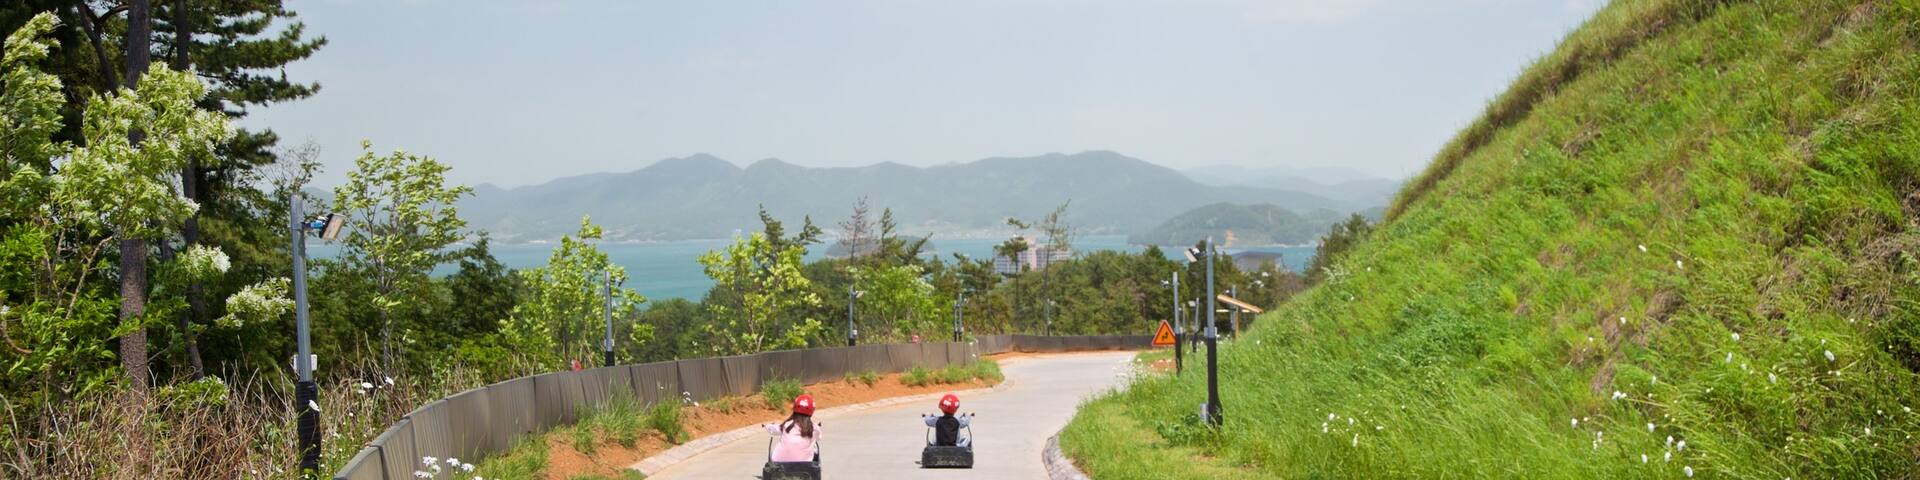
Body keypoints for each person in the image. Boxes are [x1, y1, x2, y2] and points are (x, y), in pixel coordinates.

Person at [764, 394, 820, 462]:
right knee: (815, 453)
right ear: (812, 411)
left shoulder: (787, 425)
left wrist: (767, 426)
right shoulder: (814, 429)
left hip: (779, 463)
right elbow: (818, 438)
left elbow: (774, 430)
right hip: (805, 466)